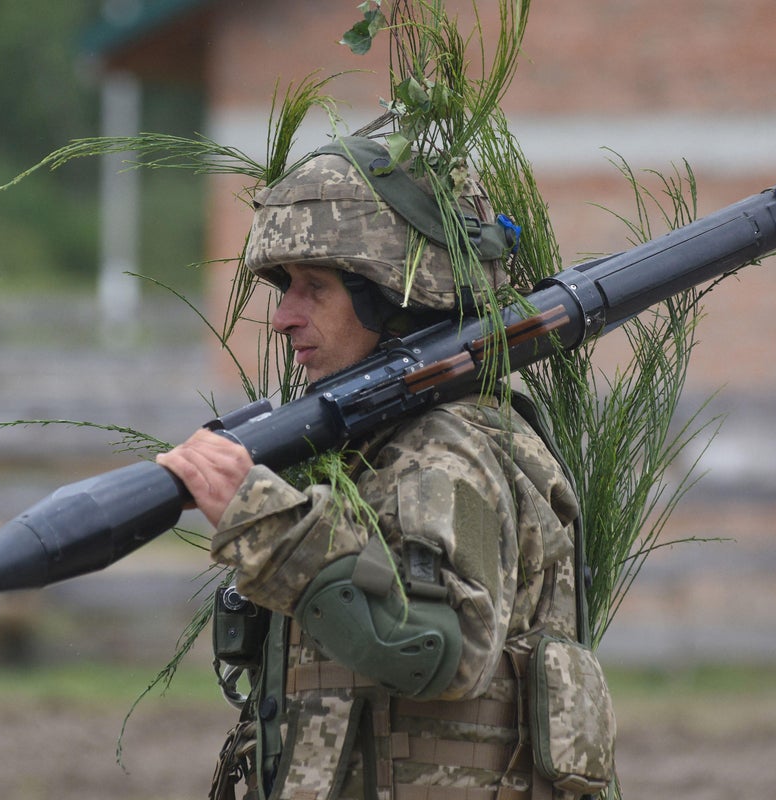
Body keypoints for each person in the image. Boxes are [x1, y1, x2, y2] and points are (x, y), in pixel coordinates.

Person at [157, 138, 609, 800]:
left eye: (314, 288)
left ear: (393, 297)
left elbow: (437, 650)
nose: (283, 317)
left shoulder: (443, 450)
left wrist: (264, 521)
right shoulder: (381, 447)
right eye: (285, 288)